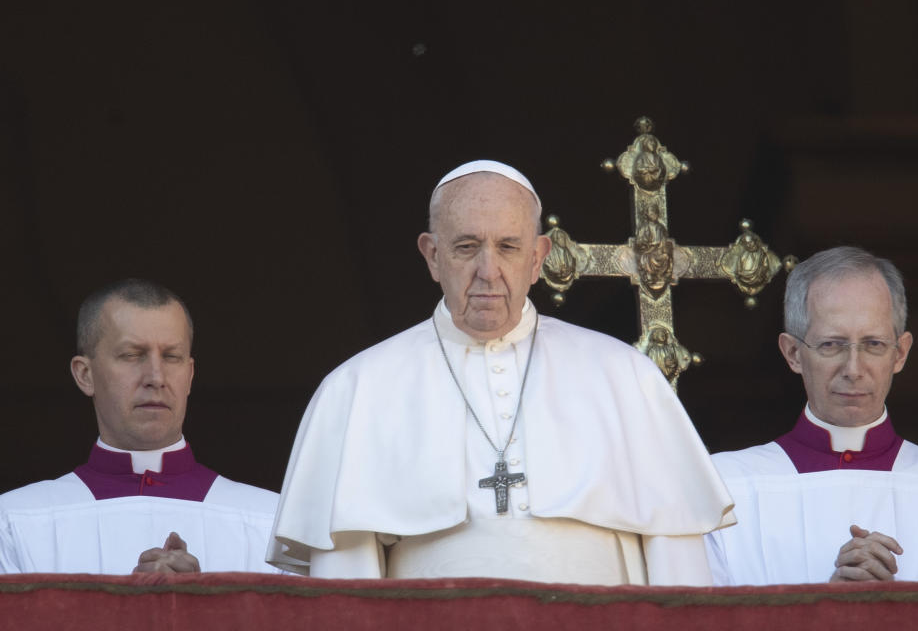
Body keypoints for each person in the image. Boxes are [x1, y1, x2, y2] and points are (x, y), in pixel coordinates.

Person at [268, 160, 734, 585]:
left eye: (508, 247)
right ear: (432, 255)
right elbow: (346, 585)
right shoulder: (358, 389)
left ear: (537, 258)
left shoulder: (625, 376)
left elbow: (679, 568)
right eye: (466, 247)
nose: (488, 271)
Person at [706, 246, 918, 585]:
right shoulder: (724, 492)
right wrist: (827, 611)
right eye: (831, 345)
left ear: (899, 353)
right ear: (793, 353)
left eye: (873, 344)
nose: (853, 370)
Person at [0, 279, 283, 574]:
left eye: (171, 357)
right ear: (85, 375)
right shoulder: (15, 523)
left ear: (189, 375)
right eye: (132, 355)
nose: (156, 377)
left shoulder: (274, 526)